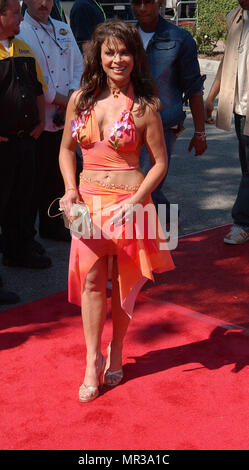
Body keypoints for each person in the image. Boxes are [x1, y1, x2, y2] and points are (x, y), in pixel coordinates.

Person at [58, 19, 175, 403]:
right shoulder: (81, 100)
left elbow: (159, 162)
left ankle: (118, 349)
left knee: (124, 284)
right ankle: (91, 360)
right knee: (92, 282)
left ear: (134, 56)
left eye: (124, 51)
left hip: (130, 208)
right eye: (110, 52)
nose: (117, 59)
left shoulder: (143, 107)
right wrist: (70, 190)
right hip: (88, 207)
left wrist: (136, 198)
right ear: (99, 56)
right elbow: (66, 151)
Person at [131, 0, 207, 218]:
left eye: (148, 2)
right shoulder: (126, 38)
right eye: (137, 2)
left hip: (163, 125)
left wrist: (200, 132)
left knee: (146, 185)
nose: (142, 8)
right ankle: (163, 221)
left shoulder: (180, 39)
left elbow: (194, 88)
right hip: (127, 126)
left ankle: (158, 233)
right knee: (137, 185)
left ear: (160, 3)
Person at [18, 0, 83, 242]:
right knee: (35, 179)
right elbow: (36, 78)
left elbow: (78, 65)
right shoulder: (21, 30)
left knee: (63, 174)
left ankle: (58, 226)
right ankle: (30, 234)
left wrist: (73, 97)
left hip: (66, 113)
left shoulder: (62, 28)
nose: (43, 3)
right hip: (38, 118)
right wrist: (65, 102)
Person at [0, 0, 51, 269]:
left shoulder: (24, 48)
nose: (21, 18)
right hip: (2, 145)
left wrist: (42, 121)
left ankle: (17, 253)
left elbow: (38, 88)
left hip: (25, 141)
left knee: (21, 202)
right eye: (15, 12)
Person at [205, 0, 249, 245]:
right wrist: (211, 96)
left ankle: (241, 222)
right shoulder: (236, 17)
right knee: (246, 168)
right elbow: (227, 60)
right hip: (241, 109)